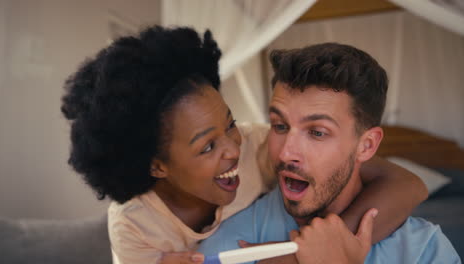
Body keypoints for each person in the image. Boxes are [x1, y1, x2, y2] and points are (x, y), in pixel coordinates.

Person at [61, 26, 427, 264]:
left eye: (230, 124)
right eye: (206, 146)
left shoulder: (259, 146)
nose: (233, 149)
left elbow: (408, 183)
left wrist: (317, 250)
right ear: (157, 166)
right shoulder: (135, 226)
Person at [198, 43, 461, 263]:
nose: (286, 152)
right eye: (279, 126)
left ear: (366, 146)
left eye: (317, 132)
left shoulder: (425, 252)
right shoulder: (231, 245)